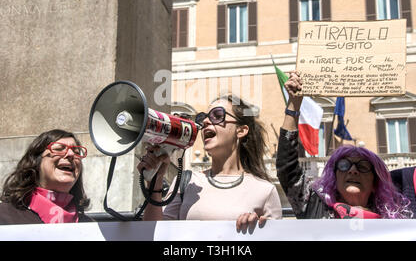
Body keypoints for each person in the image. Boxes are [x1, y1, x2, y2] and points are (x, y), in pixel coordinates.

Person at [276, 72, 413, 219]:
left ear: (375, 182)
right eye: (343, 165)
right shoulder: (314, 205)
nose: (353, 171)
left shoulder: (392, 221)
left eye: (363, 166)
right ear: (334, 177)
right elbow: (287, 169)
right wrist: (294, 105)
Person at [137, 94, 282, 231]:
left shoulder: (265, 191)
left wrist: (259, 232)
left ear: (241, 130)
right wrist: (154, 183)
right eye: (203, 118)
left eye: (217, 116)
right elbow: (156, 233)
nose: (205, 122)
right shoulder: (186, 182)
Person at [0, 129, 93, 224]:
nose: (71, 154)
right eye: (58, 149)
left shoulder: (89, 226)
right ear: (36, 162)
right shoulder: (4, 216)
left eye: (76, 151)